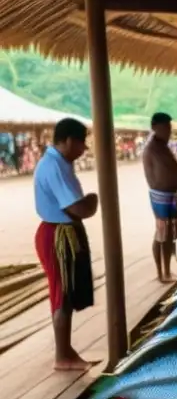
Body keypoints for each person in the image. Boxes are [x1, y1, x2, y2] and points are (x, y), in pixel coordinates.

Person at [33, 118, 98, 371]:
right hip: (57, 234)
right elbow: (77, 208)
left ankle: (66, 350)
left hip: (59, 231)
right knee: (62, 294)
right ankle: (62, 356)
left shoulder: (57, 163)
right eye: (82, 143)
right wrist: (93, 200)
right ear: (70, 140)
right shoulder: (55, 167)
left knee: (66, 293)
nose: (84, 149)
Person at [142, 112, 177, 283]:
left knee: (169, 234)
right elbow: (156, 178)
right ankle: (162, 272)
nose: (168, 131)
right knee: (162, 234)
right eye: (165, 127)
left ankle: (166, 270)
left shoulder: (162, 145)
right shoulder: (152, 148)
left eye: (169, 127)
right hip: (161, 196)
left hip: (171, 194)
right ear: (155, 127)